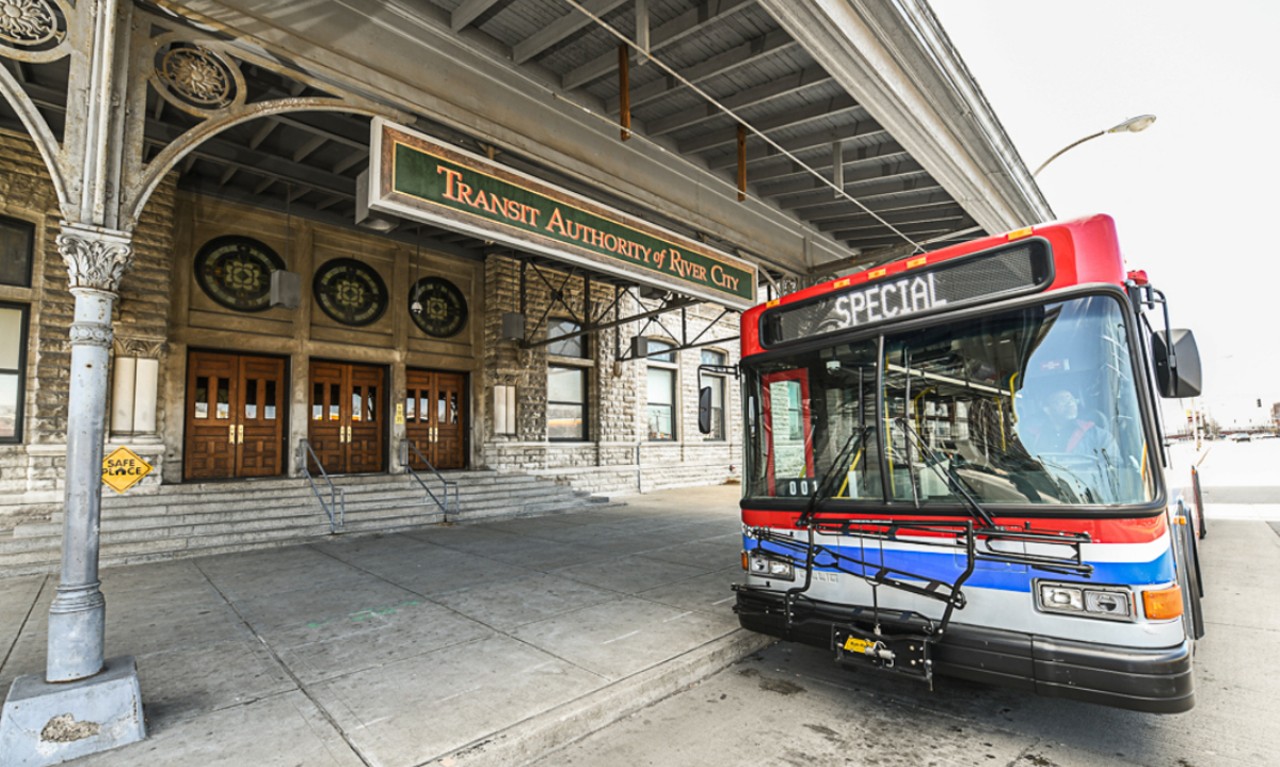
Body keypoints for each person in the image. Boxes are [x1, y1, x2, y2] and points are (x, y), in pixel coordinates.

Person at [1025, 389, 1114, 456]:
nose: (1071, 404)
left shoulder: (1095, 434)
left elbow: (1114, 464)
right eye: (1063, 400)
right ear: (1047, 409)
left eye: (1072, 400)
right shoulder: (1031, 436)